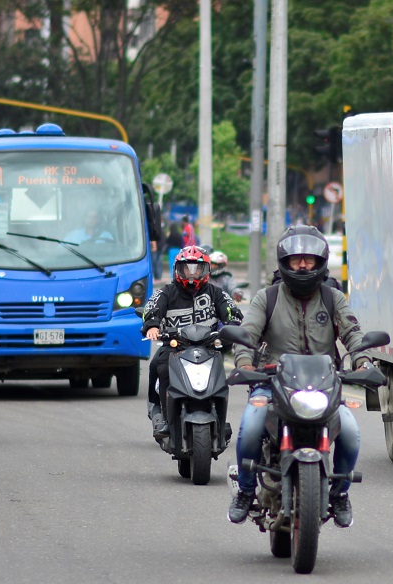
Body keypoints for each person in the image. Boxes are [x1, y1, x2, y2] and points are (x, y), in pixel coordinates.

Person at [227, 226, 372, 528]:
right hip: (272, 382)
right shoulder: (266, 298)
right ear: (285, 262)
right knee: (251, 427)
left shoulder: (333, 299)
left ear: (320, 262)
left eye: (309, 259)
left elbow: (353, 334)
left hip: (323, 386)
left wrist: (363, 361)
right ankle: (245, 489)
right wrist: (245, 362)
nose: (303, 265)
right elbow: (246, 335)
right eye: (296, 260)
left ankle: (341, 492)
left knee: (351, 433)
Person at [139, 246, 242, 436]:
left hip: (209, 346)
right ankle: (162, 414)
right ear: (178, 269)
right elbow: (151, 308)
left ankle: (220, 419)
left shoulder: (215, 292)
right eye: (187, 268)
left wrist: (233, 324)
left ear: (207, 270)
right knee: (158, 365)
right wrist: (152, 325)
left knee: (223, 372)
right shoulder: (167, 292)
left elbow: (232, 310)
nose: (192, 273)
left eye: (198, 268)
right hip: (175, 346)